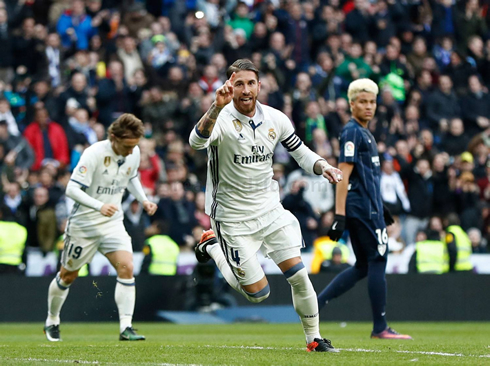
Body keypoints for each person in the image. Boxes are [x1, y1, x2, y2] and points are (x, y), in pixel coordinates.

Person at [189, 59, 343, 352]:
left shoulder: (276, 118)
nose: (245, 89)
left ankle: (314, 338)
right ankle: (211, 246)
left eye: (251, 83)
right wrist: (215, 106)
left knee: (299, 275)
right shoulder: (221, 119)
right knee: (258, 294)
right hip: (232, 217)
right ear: (229, 86)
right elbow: (196, 142)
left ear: (259, 86)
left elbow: (300, 152)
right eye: (239, 83)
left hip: (270, 210)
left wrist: (323, 166)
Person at [43, 114, 158, 342]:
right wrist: (99, 205)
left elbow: (131, 176)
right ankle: (52, 319)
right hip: (84, 225)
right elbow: (72, 190)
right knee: (68, 275)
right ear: (113, 137)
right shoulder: (94, 154)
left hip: (112, 222)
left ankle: (126, 327)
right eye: (126, 146)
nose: (130, 151)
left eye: (133, 146)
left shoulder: (132, 152)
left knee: (126, 266)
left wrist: (143, 199)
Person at [317, 78, 412, 340]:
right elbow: (342, 175)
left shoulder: (363, 132)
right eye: (362, 101)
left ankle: (315, 304)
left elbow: (364, 176)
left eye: (372, 101)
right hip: (362, 208)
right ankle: (380, 327)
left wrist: (380, 206)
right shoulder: (352, 132)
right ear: (351, 104)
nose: (368, 106)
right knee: (378, 260)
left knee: (363, 266)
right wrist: (339, 215)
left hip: (369, 206)